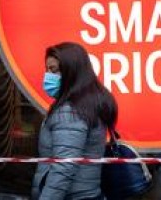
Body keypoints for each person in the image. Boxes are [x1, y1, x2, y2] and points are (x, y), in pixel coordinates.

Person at [32, 41, 118, 200]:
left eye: (54, 70)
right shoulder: (86, 105)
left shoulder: (70, 111)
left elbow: (63, 167)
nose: (48, 76)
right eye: (47, 70)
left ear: (71, 72)